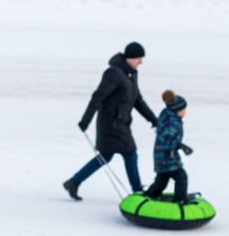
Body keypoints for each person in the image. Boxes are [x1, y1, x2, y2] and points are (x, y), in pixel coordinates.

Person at [63, 42, 156, 201]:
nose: (140, 62)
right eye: (138, 58)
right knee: (130, 154)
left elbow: (138, 101)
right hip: (111, 124)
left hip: (121, 123)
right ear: (130, 58)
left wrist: (154, 119)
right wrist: (86, 119)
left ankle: (74, 182)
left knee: (106, 156)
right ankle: (138, 191)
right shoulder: (114, 73)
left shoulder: (131, 74)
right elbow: (98, 96)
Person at [144, 90, 193, 202]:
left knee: (162, 179)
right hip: (168, 158)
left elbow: (168, 139)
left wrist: (180, 146)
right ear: (177, 110)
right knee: (181, 178)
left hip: (160, 157)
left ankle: (150, 195)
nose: (185, 111)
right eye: (183, 109)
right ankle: (180, 200)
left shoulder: (168, 116)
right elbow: (166, 141)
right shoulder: (173, 123)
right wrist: (175, 149)